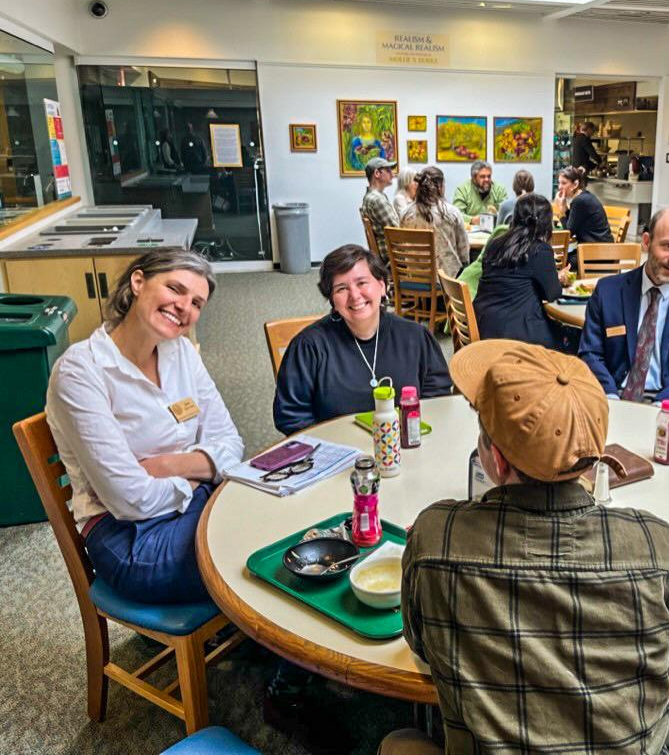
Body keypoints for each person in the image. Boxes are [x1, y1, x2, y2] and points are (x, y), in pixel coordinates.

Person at [384, 339, 669, 755]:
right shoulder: (655, 546)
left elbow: (421, 644)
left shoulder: (435, 538)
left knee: (397, 741)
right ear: (596, 458)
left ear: (497, 462)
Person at [45, 250, 243, 604]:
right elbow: (130, 499)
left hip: (193, 504)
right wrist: (201, 476)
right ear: (138, 282)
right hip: (129, 538)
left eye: (196, 302)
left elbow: (231, 442)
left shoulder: (180, 352)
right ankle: (262, 652)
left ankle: (252, 645)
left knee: (278, 522)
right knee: (249, 549)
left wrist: (169, 466)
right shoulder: (81, 371)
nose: (184, 307)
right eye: (175, 289)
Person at [273, 245, 451, 434]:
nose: (355, 296)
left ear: (382, 286)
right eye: (341, 288)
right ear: (332, 300)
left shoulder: (416, 337)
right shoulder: (309, 347)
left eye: (362, 283)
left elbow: (436, 400)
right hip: (340, 454)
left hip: (405, 447)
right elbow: (291, 416)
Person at [579, 207, 669, 414]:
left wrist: (664, 405)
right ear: (646, 242)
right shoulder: (607, 291)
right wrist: (609, 397)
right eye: (667, 246)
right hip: (613, 396)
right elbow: (590, 353)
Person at [474, 194, 570, 348]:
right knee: (573, 336)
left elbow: (515, 279)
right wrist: (559, 278)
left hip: (484, 325)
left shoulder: (495, 243)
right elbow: (553, 294)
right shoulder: (540, 250)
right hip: (518, 334)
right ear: (546, 222)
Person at [400, 165, 469, 279]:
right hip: (447, 279)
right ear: (440, 187)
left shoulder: (405, 214)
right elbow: (464, 250)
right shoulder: (451, 213)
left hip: (415, 276)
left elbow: (403, 247)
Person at [555, 166, 612, 244]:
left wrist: (561, 210)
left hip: (597, 251)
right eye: (559, 183)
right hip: (600, 247)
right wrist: (565, 208)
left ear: (575, 184)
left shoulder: (579, 201)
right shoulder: (583, 197)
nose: (559, 187)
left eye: (564, 183)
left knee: (557, 255)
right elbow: (572, 225)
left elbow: (568, 233)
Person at [360, 156, 400, 264]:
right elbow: (397, 231)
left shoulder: (371, 196)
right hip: (393, 255)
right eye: (388, 170)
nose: (392, 174)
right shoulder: (377, 200)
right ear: (377, 173)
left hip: (386, 253)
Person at [452, 159, 508, 224]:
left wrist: (496, 215)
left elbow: (506, 213)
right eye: (482, 177)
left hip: (494, 231)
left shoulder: (499, 189)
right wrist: (472, 220)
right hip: (470, 232)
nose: (487, 179)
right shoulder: (462, 190)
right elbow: (456, 215)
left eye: (489, 176)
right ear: (474, 178)